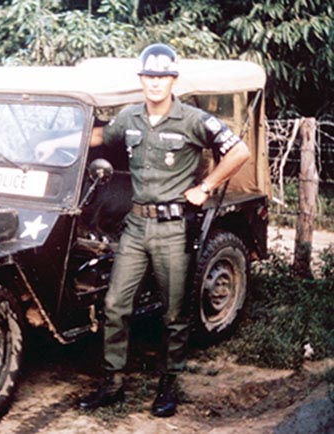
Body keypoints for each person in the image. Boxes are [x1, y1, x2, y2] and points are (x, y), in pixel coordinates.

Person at [67, 43, 251, 417]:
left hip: (172, 228)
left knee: (173, 311)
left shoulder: (194, 120)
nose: (154, 83)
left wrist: (206, 186)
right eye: (148, 76)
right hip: (135, 226)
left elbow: (238, 152)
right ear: (142, 80)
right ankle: (113, 382)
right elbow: (97, 137)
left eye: (162, 76)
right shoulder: (129, 118)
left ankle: (169, 383)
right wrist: (55, 136)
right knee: (115, 305)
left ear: (173, 80)